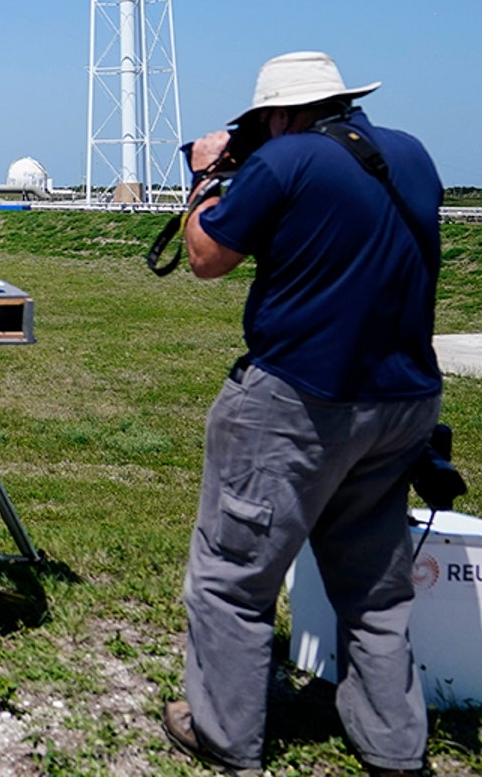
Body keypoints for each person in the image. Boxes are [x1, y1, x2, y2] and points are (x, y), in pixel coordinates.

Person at [166, 52, 442, 777]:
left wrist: (204, 176)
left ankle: (225, 736)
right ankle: (394, 747)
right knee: (376, 589)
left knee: (232, 578)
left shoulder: (284, 160)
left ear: (278, 116)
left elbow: (206, 258)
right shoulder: (409, 153)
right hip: (404, 400)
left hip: (298, 401)